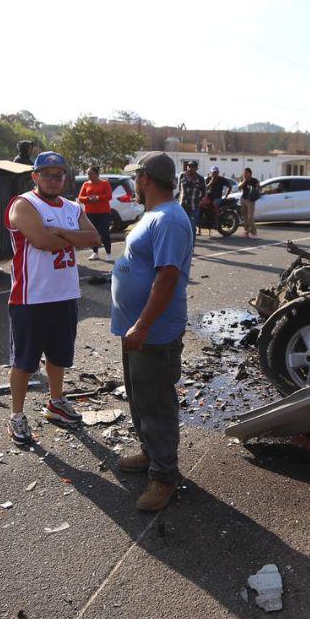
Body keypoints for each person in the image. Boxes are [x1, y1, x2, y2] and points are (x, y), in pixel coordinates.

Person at [111, 151, 194, 512]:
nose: (134, 182)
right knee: (140, 398)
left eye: (136, 176)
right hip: (138, 331)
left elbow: (167, 277)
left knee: (157, 404)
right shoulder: (154, 215)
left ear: (145, 178)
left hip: (154, 332)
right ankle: (150, 453)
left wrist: (143, 324)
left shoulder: (171, 219)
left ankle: (164, 477)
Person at [4, 151, 102, 446]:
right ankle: (17, 415)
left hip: (64, 294)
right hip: (30, 297)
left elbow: (95, 238)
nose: (52, 179)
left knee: (59, 356)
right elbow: (41, 241)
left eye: (58, 175)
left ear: (64, 178)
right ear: (34, 176)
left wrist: (59, 230)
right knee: (23, 361)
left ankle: (55, 403)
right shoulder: (23, 204)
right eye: (46, 174)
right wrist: (74, 236)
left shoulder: (72, 207)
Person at [77, 163, 114, 259]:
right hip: (90, 213)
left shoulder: (104, 183)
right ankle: (95, 252)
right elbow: (80, 198)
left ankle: (108, 253)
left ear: (96, 174)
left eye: (91, 173)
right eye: (88, 174)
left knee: (104, 232)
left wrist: (97, 197)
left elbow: (109, 196)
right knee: (93, 233)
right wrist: (89, 198)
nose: (89, 176)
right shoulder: (86, 184)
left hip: (104, 213)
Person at [175, 159, 205, 236]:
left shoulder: (200, 179)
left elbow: (204, 192)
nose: (191, 168)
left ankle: (191, 247)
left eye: (193, 167)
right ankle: (182, 246)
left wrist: (198, 200)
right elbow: (180, 188)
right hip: (182, 207)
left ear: (196, 168)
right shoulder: (182, 176)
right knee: (180, 227)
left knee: (191, 228)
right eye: (189, 166)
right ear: (187, 167)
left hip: (193, 208)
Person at [202, 166, 234, 236]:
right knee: (201, 204)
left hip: (217, 197)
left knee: (215, 204)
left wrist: (226, 195)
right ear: (211, 172)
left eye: (215, 172)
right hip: (209, 197)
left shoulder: (222, 179)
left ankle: (216, 221)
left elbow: (230, 186)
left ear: (218, 172)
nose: (214, 174)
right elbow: (205, 188)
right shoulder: (208, 179)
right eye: (213, 172)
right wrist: (211, 182)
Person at [237, 167, 261, 238]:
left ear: (250, 173)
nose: (244, 174)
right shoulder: (243, 179)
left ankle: (254, 233)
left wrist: (256, 193)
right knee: (244, 218)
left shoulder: (254, 180)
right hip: (243, 199)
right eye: (244, 173)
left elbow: (259, 189)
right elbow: (239, 187)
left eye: (246, 173)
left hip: (250, 201)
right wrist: (244, 181)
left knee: (250, 218)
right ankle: (246, 232)